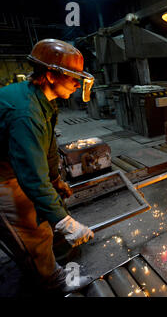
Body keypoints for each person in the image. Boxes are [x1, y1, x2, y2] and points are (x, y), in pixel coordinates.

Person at [0, 39, 95, 293]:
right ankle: (51, 281)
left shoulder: (43, 99)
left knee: (46, 205)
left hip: (12, 162)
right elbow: (31, 178)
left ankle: (56, 256)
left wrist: (55, 182)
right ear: (51, 75)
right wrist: (66, 223)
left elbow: (48, 147)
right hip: (2, 175)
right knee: (31, 227)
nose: (77, 84)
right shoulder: (26, 113)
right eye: (72, 78)